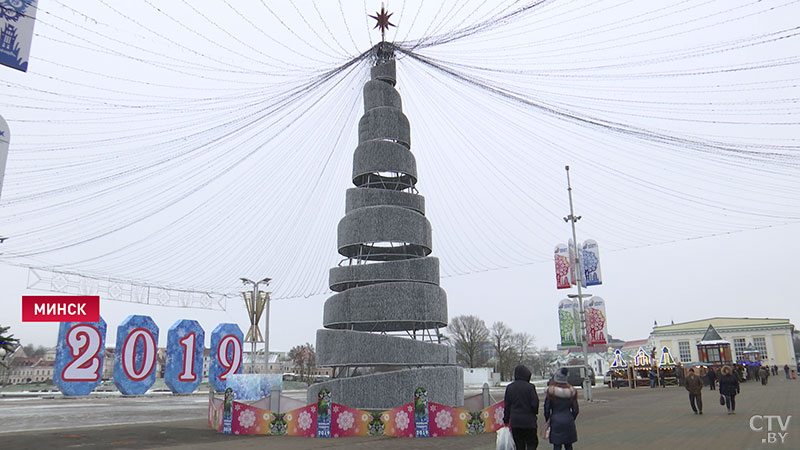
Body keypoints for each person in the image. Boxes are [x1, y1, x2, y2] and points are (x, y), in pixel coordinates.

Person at [503, 364, 539, 450]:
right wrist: (534, 412)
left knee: (519, 444)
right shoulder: (530, 387)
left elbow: (507, 406)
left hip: (515, 422)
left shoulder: (510, 388)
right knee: (532, 443)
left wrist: (506, 419)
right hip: (529, 422)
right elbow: (535, 404)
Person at [544, 367, 579, 450]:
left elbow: (546, 408)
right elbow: (575, 410)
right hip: (568, 420)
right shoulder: (571, 391)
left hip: (555, 421)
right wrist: (571, 417)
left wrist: (548, 419)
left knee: (557, 445)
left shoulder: (551, 391)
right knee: (569, 445)